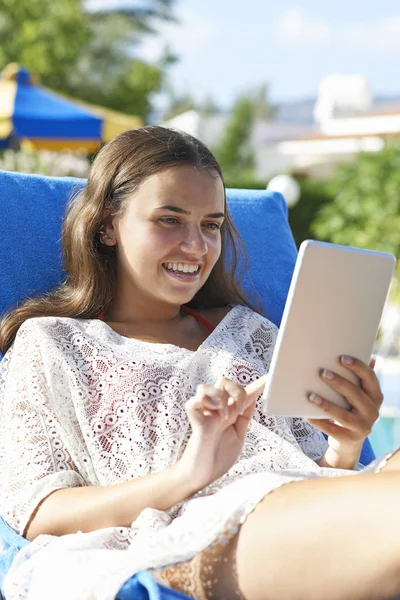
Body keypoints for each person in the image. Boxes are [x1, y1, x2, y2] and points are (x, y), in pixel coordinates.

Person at [0, 125, 399, 600]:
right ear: (107, 225)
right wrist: (188, 474)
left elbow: (319, 469)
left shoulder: (252, 333)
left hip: (309, 505)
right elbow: (38, 510)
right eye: (170, 219)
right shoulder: (51, 344)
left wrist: (346, 442)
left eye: (211, 225)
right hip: (203, 530)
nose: (197, 245)